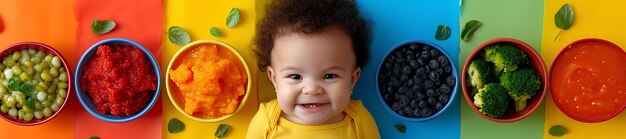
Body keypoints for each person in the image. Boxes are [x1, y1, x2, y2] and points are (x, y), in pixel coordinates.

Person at [246, 0, 380, 138]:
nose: (312, 89)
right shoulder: (267, 121)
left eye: (329, 76)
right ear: (274, 79)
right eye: (295, 77)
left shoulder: (359, 120)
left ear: (352, 79)